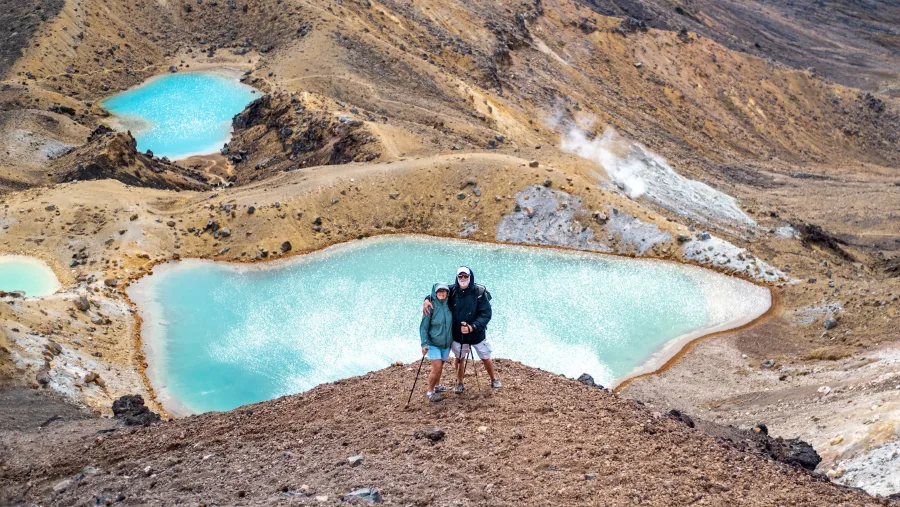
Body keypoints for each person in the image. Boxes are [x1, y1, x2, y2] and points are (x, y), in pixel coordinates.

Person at [424, 266, 501, 393]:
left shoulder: (479, 292)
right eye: (460, 276)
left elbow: (486, 314)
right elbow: (438, 293)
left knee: (485, 357)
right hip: (459, 334)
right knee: (459, 358)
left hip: (477, 334)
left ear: (470, 277)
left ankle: (493, 379)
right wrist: (427, 300)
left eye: (466, 276)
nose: (463, 278)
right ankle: (459, 383)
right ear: (457, 277)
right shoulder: (452, 290)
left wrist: (472, 327)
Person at [419, 283, 453, 402]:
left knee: (440, 366)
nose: (441, 293)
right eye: (439, 291)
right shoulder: (430, 306)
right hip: (433, 343)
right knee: (437, 368)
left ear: (447, 292)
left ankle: (437, 386)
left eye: (444, 291)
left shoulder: (451, 304)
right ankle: (430, 391)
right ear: (435, 292)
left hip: (446, 343)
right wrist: (424, 344)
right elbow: (423, 327)